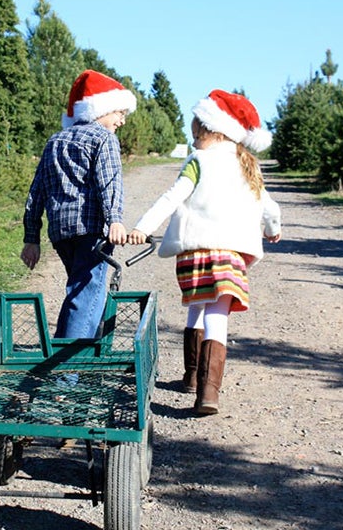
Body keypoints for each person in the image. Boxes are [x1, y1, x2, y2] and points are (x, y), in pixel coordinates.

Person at [128, 89, 281, 415]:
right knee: (217, 316)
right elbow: (268, 206)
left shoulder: (198, 162)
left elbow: (171, 197)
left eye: (197, 134)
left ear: (216, 131)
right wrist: (273, 229)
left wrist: (143, 227)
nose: (193, 140)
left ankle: (192, 378)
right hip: (230, 255)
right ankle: (208, 394)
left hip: (195, 254)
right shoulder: (247, 166)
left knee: (198, 308)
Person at [21, 69, 137, 339]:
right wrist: (115, 219)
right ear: (100, 109)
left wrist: (31, 238)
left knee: (78, 292)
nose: (121, 121)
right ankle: (68, 375)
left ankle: (64, 359)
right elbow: (109, 182)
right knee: (86, 298)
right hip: (91, 232)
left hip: (61, 234)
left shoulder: (55, 140)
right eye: (119, 113)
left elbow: (36, 193)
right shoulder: (103, 138)